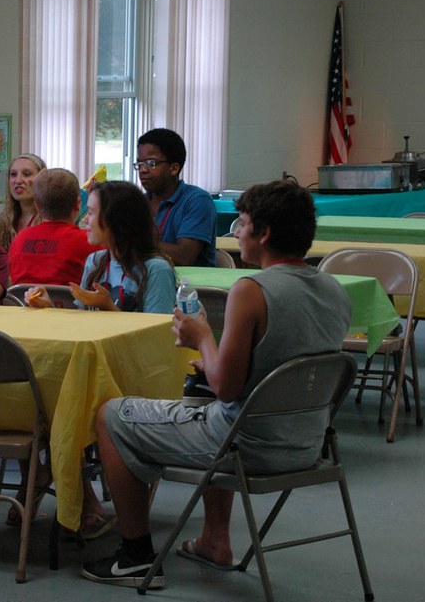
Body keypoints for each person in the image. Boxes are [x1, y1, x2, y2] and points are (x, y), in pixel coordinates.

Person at [80, 180, 352, 589]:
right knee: (199, 390)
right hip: (306, 441)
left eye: (241, 223)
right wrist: (211, 364)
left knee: (110, 415)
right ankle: (214, 540)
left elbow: (226, 389)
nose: (236, 232)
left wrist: (203, 337)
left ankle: (135, 555)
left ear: (264, 233)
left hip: (246, 443)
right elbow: (283, 367)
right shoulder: (334, 289)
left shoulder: (250, 290)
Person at [26, 180, 175, 314]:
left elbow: (157, 332)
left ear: (115, 219)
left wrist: (107, 306)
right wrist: (48, 307)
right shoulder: (95, 260)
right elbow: (82, 325)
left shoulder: (156, 269)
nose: (85, 219)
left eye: (91, 213)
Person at [134, 128, 216, 267]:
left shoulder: (198, 200)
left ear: (174, 169)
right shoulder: (138, 203)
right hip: (146, 276)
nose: (143, 170)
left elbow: (184, 257)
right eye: (139, 164)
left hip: (190, 280)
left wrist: (131, 242)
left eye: (151, 163)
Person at [8, 168, 102, 286]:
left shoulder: (19, 240)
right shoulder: (89, 241)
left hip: (22, 299)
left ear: (37, 206)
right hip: (71, 299)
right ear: (78, 204)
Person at [0, 153, 48, 250]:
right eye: (13, 174)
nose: (18, 181)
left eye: (26, 174)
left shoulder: (49, 220)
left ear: (42, 179)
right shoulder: (6, 220)